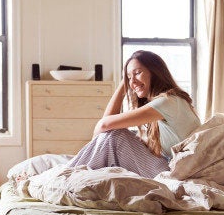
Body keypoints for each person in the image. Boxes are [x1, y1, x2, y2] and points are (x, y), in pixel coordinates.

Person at [67, 50, 201, 178]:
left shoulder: (167, 102)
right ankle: (75, 172)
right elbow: (104, 127)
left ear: (155, 73)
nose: (132, 82)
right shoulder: (170, 101)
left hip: (173, 172)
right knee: (119, 134)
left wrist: (123, 85)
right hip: (170, 166)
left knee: (116, 135)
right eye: (129, 77)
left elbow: (103, 125)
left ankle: (71, 173)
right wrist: (126, 82)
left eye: (137, 73)